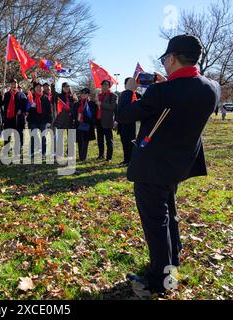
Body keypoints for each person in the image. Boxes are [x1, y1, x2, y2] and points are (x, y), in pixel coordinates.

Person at [117, 35, 221, 297]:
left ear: (172, 58)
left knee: (156, 222)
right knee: (169, 214)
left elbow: (126, 115)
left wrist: (129, 90)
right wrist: (168, 85)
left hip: (152, 165)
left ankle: (160, 278)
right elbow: (183, 98)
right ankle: (172, 261)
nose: (163, 64)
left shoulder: (160, 92)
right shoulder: (212, 88)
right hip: (180, 164)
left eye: (165, 59)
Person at [117, 78, 140, 166]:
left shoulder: (137, 95)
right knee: (124, 142)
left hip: (132, 124)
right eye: (125, 83)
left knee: (131, 143)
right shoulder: (122, 94)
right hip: (122, 124)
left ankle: (132, 160)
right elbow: (118, 109)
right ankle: (126, 159)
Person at [2, 79, 28, 156]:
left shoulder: (21, 94)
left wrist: (22, 110)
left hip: (18, 118)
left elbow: (25, 105)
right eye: (13, 83)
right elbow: (1, 104)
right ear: (10, 85)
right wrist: (1, 96)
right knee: (8, 134)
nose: (14, 85)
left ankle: (19, 148)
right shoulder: (6, 94)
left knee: (19, 134)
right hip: (8, 118)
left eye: (15, 83)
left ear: (17, 85)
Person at [27, 82, 53, 159]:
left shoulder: (45, 98)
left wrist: (49, 121)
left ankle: (43, 153)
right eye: (37, 87)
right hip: (33, 120)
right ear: (34, 89)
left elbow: (49, 110)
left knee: (43, 138)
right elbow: (27, 108)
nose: (39, 88)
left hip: (43, 121)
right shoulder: (31, 97)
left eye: (40, 87)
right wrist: (30, 107)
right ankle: (32, 153)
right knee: (33, 137)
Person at [52, 82, 76, 159]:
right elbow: (53, 93)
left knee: (71, 138)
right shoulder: (59, 96)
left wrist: (75, 102)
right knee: (60, 138)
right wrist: (53, 84)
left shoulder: (73, 97)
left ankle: (70, 154)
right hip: (61, 119)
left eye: (68, 86)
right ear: (62, 88)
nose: (66, 88)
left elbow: (76, 108)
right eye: (65, 86)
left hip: (70, 119)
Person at [96, 80, 118, 161]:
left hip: (107, 121)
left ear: (109, 86)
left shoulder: (113, 95)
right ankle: (101, 155)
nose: (104, 86)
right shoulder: (99, 95)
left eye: (106, 85)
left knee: (109, 140)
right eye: (103, 85)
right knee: (100, 139)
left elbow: (113, 107)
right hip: (99, 120)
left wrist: (101, 104)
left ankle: (109, 158)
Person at [75, 88, 96, 162]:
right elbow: (74, 113)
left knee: (85, 141)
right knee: (80, 140)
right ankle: (81, 156)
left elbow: (93, 114)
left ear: (88, 95)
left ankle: (83, 157)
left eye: (85, 93)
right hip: (78, 124)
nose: (83, 94)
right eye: (82, 93)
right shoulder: (77, 103)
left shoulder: (91, 103)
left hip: (87, 124)